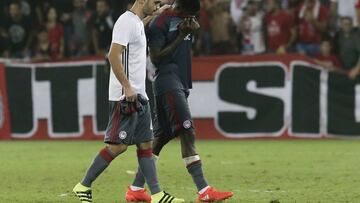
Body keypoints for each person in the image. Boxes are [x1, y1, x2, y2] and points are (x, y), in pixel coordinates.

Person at [72, 1, 185, 203]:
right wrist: (126, 86)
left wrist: (156, 13)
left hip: (139, 94)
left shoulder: (134, 22)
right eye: (155, 1)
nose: (157, 3)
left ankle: (158, 194)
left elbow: (139, 26)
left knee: (145, 145)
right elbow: (113, 56)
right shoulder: (125, 22)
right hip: (126, 96)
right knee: (118, 146)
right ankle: (83, 185)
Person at [124, 0, 234, 202]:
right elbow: (156, 57)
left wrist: (191, 31)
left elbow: (184, 39)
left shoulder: (185, 20)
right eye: (190, 15)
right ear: (181, 9)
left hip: (180, 81)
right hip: (167, 81)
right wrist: (183, 34)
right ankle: (204, 190)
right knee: (187, 131)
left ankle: (136, 188)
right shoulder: (160, 23)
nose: (192, 20)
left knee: (162, 137)